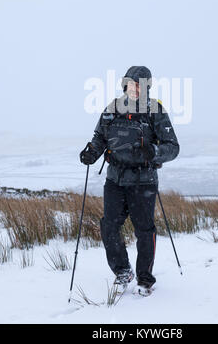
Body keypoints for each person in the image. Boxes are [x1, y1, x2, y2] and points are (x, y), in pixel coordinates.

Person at [80, 66, 179, 295]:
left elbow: (173, 147)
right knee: (109, 227)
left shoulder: (155, 110)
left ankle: (145, 279)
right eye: (130, 83)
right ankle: (123, 271)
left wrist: (153, 152)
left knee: (144, 231)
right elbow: (99, 138)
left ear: (146, 87)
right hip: (115, 179)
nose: (134, 88)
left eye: (139, 84)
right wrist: (91, 153)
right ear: (124, 84)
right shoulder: (112, 108)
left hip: (143, 181)